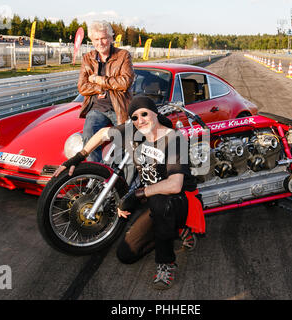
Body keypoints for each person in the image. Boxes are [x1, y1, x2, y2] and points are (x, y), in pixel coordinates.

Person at [53, 96, 205, 290]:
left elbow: (175, 184)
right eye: (134, 117)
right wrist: (76, 158)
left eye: (144, 114)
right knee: (126, 255)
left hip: (180, 200)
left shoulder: (174, 139)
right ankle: (176, 230)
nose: (140, 120)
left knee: (161, 202)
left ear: (155, 113)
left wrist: (137, 196)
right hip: (151, 198)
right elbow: (101, 133)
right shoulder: (133, 131)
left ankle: (166, 263)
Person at [77, 20, 134, 162]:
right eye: (96, 39)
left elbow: (125, 82)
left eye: (103, 38)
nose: (100, 42)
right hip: (97, 109)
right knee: (89, 137)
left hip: (120, 108)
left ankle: (122, 180)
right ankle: (96, 175)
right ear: (92, 40)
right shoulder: (87, 58)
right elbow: (82, 86)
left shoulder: (123, 55)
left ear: (110, 38)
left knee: (127, 145)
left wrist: (98, 79)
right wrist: (101, 87)